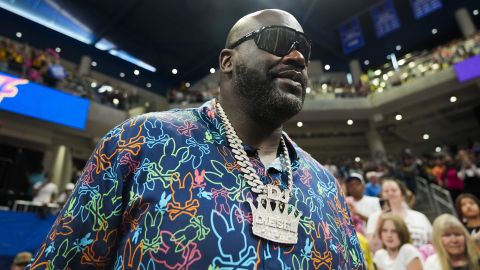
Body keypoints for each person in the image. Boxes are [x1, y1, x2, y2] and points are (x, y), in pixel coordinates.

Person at [28, 9, 365, 269]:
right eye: (276, 40)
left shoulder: (325, 185)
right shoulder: (142, 141)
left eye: (303, 48)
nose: (297, 58)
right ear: (227, 61)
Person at [366, 179, 432, 252]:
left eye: (394, 190)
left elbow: (432, 243)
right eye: (386, 191)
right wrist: (380, 221)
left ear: (402, 194)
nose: (390, 193)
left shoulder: (419, 216)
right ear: (381, 195)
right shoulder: (375, 217)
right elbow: (372, 248)